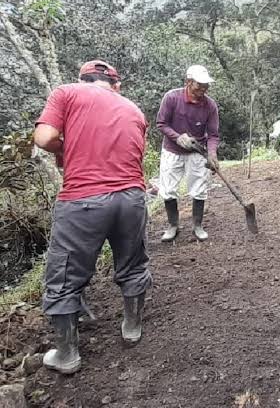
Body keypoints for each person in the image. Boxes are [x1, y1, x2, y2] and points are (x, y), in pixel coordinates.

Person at [33, 60, 152, 374]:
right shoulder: (135, 110)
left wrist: (67, 146)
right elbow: (133, 153)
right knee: (133, 262)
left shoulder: (67, 93)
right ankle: (131, 327)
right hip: (131, 198)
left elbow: (44, 138)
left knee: (64, 278)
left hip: (83, 200)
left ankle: (67, 355)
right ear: (116, 85)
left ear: (83, 79)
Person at [156, 65, 220, 242]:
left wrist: (212, 153)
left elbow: (213, 135)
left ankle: (198, 225)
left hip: (196, 152)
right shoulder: (172, 98)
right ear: (188, 82)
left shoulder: (210, 106)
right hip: (172, 150)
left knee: (199, 189)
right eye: (199, 85)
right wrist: (177, 137)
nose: (203, 89)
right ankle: (172, 225)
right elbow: (161, 123)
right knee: (168, 190)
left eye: (206, 85)